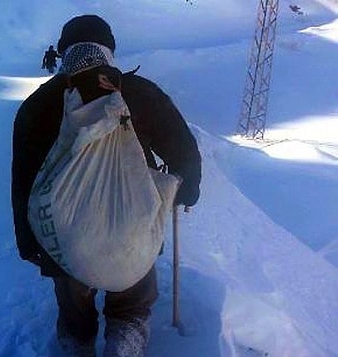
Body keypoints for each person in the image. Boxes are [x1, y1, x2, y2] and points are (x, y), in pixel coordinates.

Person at [11, 15, 201, 357]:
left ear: (64, 52)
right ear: (109, 51)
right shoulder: (139, 92)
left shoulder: (37, 106)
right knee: (131, 299)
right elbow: (182, 148)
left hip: (64, 234)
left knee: (74, 308)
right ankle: (125, 343)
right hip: (132, 223)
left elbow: (23, 179)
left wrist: (28, 241)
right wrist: (188, 187)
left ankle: (76, 343)